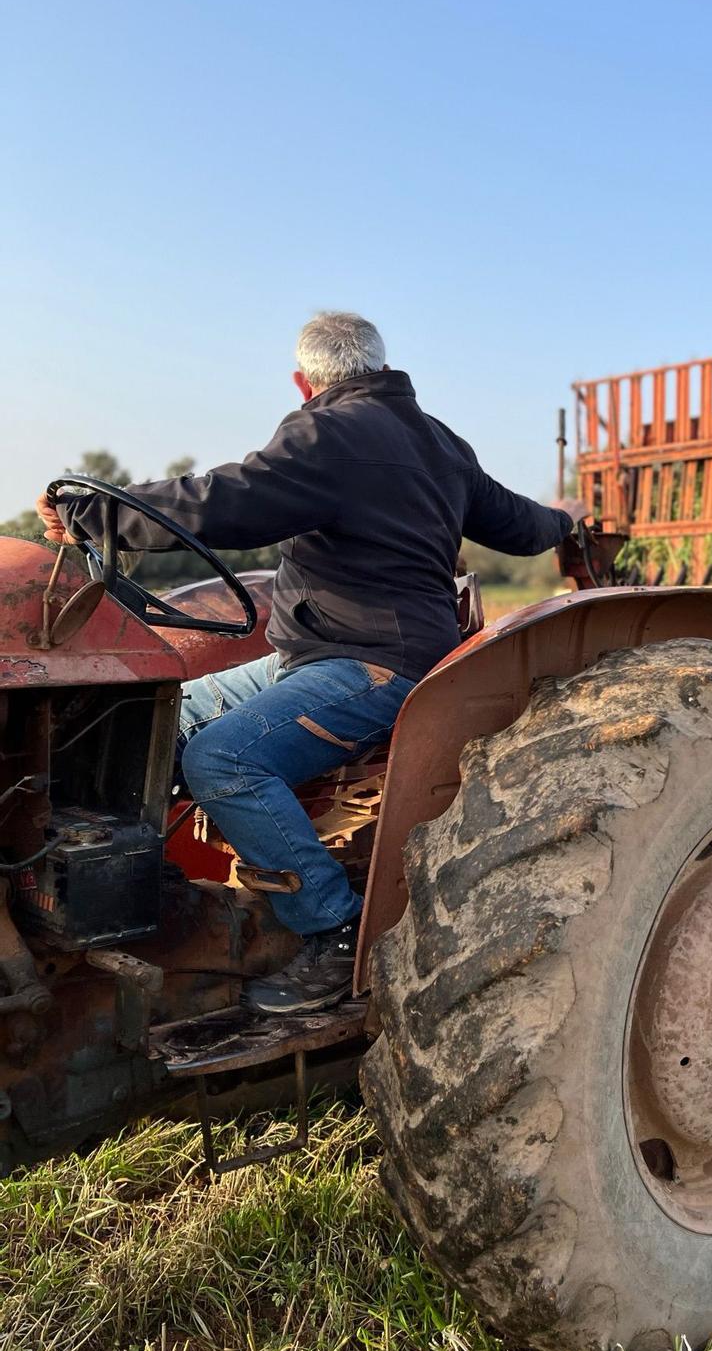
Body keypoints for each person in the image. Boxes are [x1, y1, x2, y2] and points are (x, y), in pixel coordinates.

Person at [38, 311, 581, 1013]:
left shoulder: (327, 432)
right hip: (320, 656)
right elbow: (520, 522)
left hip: (369, 664)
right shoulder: (443, 444)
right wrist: (565, 520)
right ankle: (157, 900)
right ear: (378, 365)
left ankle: (335, 930)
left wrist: (97, 513)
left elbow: (221, 501)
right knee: (149, 719)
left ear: (305, 381)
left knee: (223, 760)